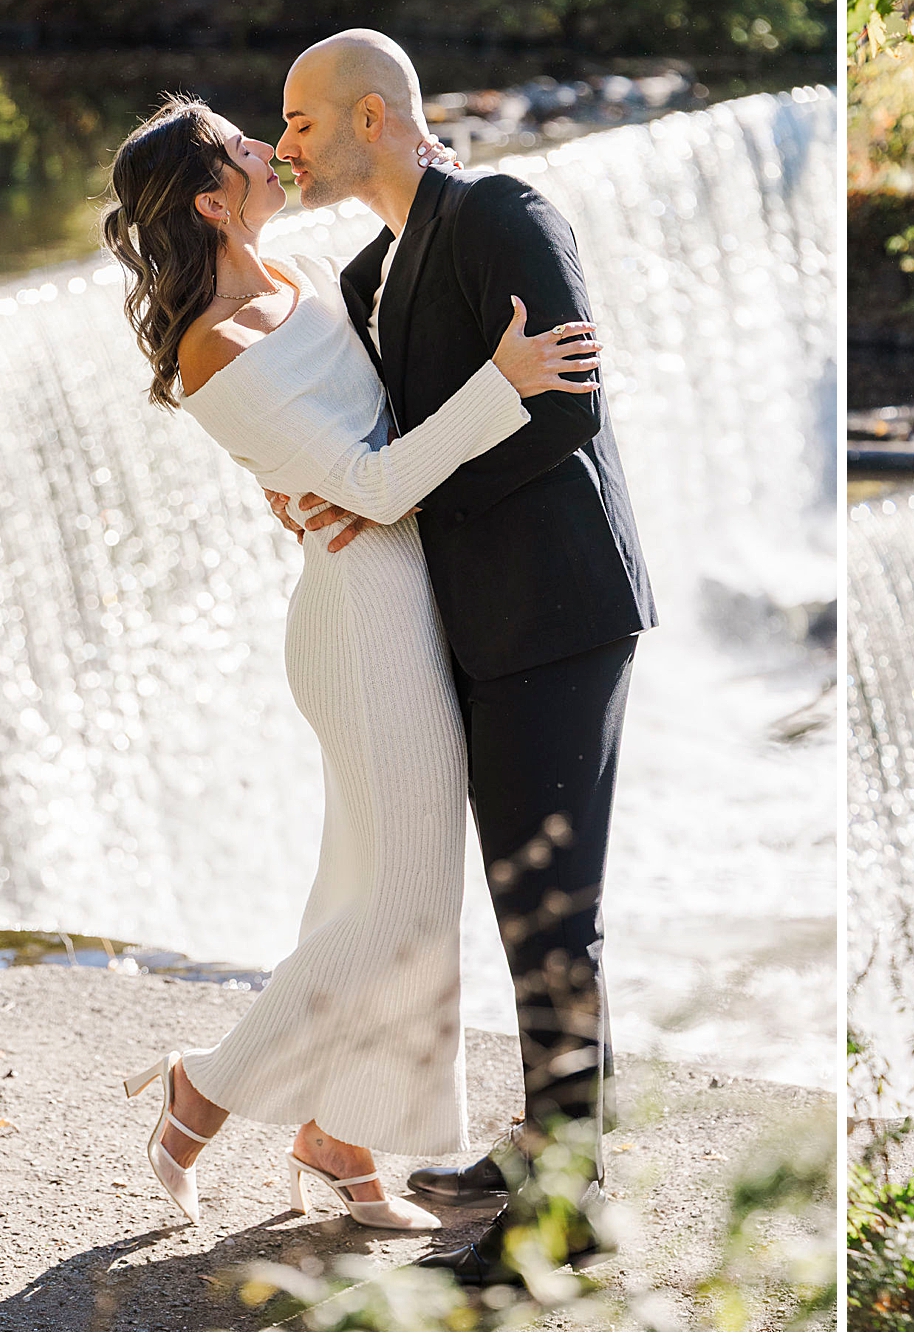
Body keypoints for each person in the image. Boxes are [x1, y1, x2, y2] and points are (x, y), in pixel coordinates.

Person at [104, 93, 602, 1232]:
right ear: (210, 200)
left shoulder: (298, 275)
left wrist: (431, 165)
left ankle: (341, 1137)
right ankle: (203, 1091)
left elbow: (359, 433)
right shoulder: (213, 348)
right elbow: (373, 485)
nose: (270, 150)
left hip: (413, 593)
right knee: (398, 907)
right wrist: (506, 384)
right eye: (244, 146)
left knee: (389, 896)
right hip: (362, 614)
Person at [270, 30, 656, 1285]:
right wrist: (322, 491)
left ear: (373, 115)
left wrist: (399, 501)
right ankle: (543, 1149)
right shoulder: (373, 266)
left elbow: (571, 404)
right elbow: (375, 440)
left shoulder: (502, 212)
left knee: (557, 916)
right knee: (517, 905)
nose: (286, 145)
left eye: (304, 124)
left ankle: (566, 1215)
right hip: (475, 623)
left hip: (560, 614)